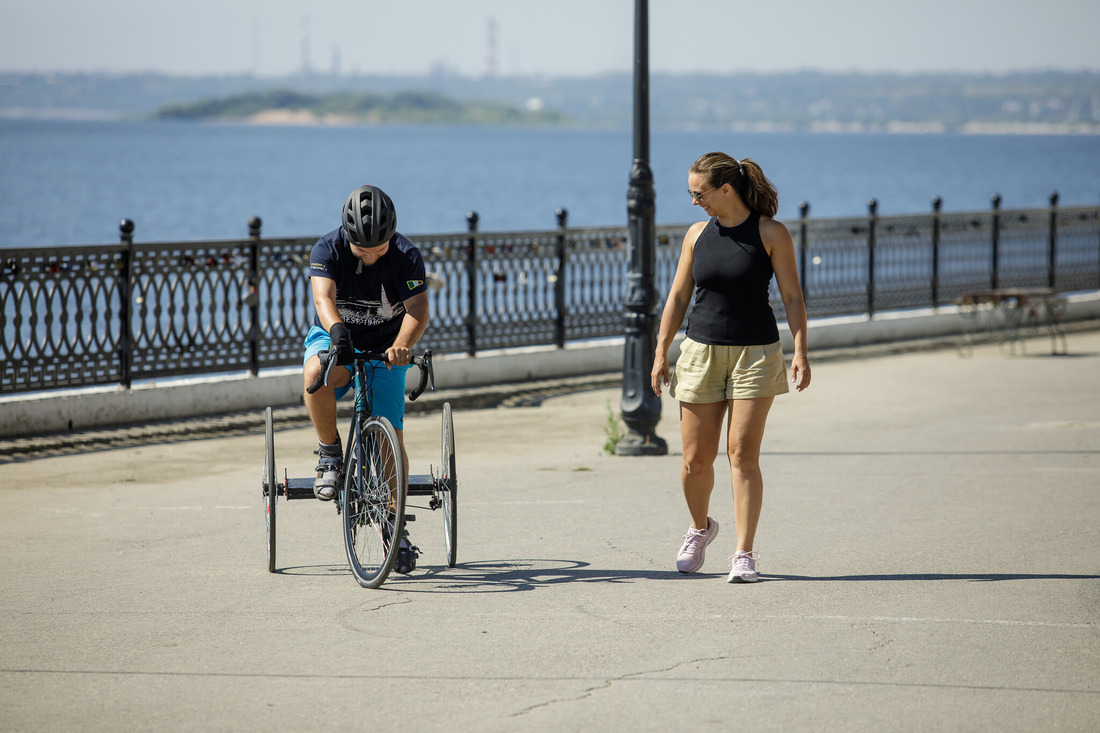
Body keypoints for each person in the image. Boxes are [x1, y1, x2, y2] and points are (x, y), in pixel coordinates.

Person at [651, 152, 810, 584]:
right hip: (700, 352)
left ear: (725, 189)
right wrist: (661, 351)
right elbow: (678, 297)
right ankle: (701, 528)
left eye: (697, 193)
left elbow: (793, 297)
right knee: (694, 461)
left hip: (756, 354)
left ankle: (743, 553)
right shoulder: (695, 235)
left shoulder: (770, 233)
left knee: (742, 455)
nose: (693, 201)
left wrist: (799, 350)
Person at [302, 184, 430, 574]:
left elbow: (419, 308)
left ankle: (394, 522)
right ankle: (329, 454)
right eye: (363, 250)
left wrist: (403, 344)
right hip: (338, 334)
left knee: (391, 434)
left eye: (380, 248)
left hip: (387, 348)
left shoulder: (407, 255)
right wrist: (338, 331)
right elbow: (323, 297)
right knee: (315, 372)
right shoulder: (328, 249)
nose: (372, 256)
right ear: (347, 236)